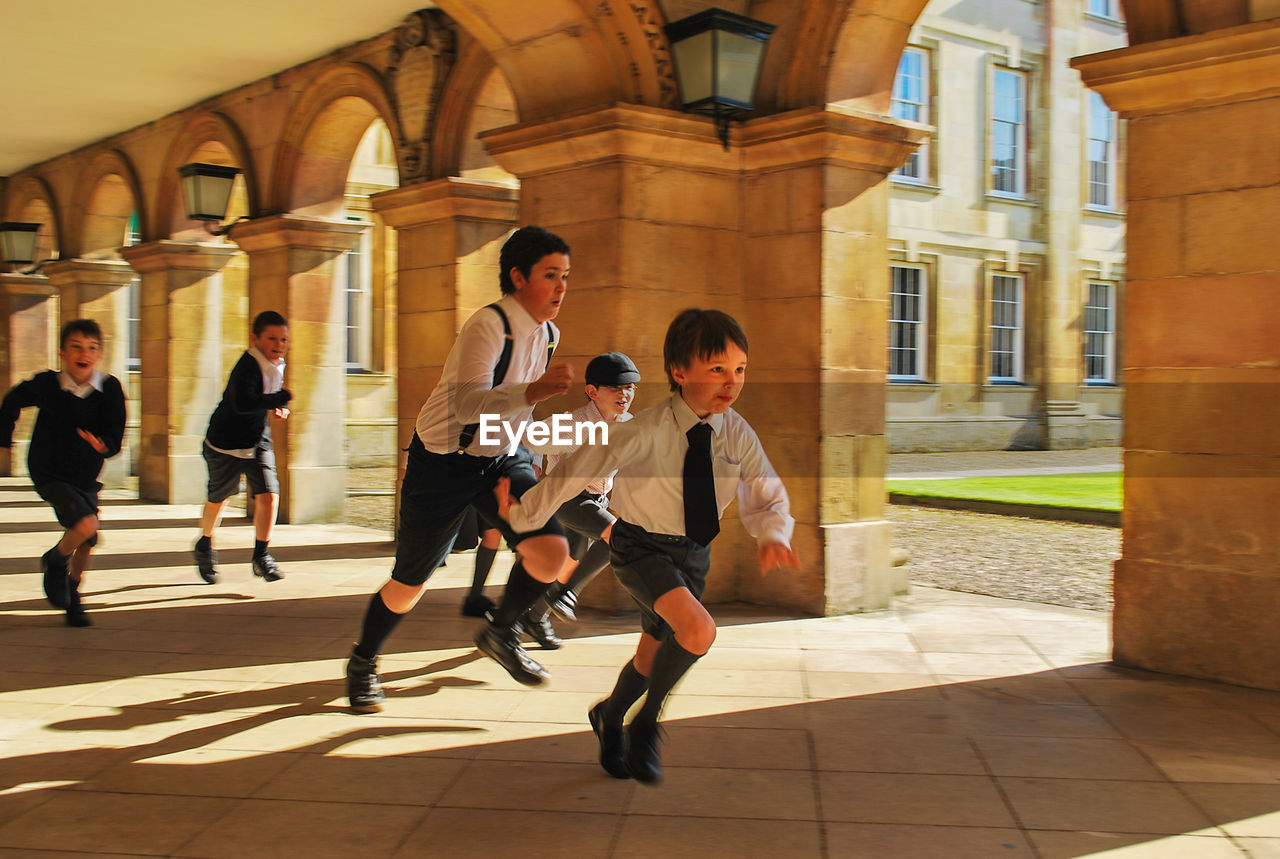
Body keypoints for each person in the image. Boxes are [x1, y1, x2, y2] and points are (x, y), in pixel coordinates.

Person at [497, 308, 799, 785]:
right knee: (698, 632)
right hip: (642, 548)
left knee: (650, 655)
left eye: (739, 370)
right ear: (680, 373)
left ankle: (609, 716)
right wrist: (522, 516)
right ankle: (646, 723)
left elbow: (763, 486)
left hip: (694, 552)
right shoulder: (644, 429)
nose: (731, 382)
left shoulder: (736, 431)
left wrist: (775, 530)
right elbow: (571, 474)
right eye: (717, 369)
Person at [344, 225, 574, 713]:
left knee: (551, 551)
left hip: (501, 460)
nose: (560, 287)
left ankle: (501, 634)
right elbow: (468, 404)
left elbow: (518, 412)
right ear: (517, 277)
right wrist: (535, 392)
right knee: (410, 585)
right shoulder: (488, 325)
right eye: (550, 275)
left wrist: (531, 449)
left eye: (565, 276)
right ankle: (363, 660)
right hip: (442, 464)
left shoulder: (549, 334)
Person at [0, 319, 127, 627]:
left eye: (91, 348)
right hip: (49, 470)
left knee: (88, 539)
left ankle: (73, 595)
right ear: (62, 352)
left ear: (99, 354)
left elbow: (115, 435)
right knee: (86, 523)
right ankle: (56, 561)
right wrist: (5, 439)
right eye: (76, 347)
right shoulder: (48, 384)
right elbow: (11, 401)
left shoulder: (108, 388)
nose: (83, 354)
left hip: (85, 474)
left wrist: (103, 445)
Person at [518, 351, 642, 650]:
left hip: (595, 501)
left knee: (566, 566)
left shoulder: (628, 423)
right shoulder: (572, 424)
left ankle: (534, 617)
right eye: (616, 388)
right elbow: (528, 437)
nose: (624, 394)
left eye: (630, 387)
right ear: (592, 392)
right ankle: (565, 594)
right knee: (620, 536)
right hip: (566, 499)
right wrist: (533, 464)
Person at [193, 310, 292, 585]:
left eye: (284, 339)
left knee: (269, 494)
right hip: (225, 443)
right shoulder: (247, 365)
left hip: (257, 439)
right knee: (219, 499)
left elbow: (266, 399)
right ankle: (205, 543)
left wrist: (278, 406)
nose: (279, 344)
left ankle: (262, 555)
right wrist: (281, 397)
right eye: (272, 338)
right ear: (255, 338)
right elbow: (244, 403)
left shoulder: (276, 364)